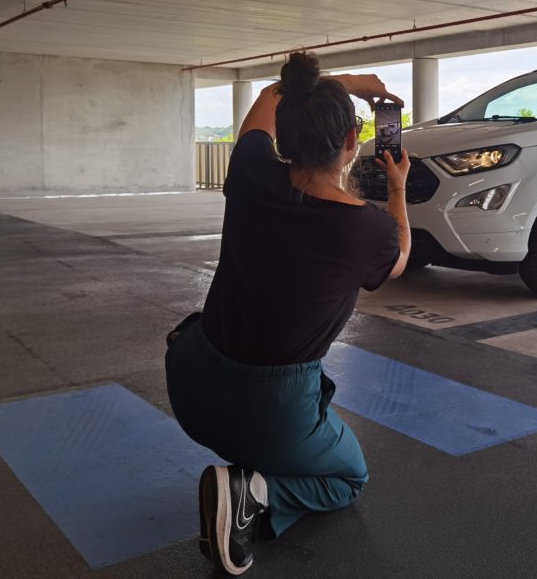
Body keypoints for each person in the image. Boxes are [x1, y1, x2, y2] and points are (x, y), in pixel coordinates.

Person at [165, 52, 410, 575]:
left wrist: (341, 82)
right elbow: (399, 261)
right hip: (272, 411)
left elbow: (266, 98)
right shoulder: (367, 230)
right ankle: (252, 494)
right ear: (352, 141)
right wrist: (397, 188)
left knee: (272, 424)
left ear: (286, 136)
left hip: (191, 384)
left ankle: (251, 469)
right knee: (347, 478)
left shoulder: (251, 169)